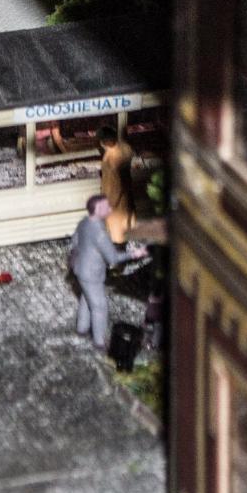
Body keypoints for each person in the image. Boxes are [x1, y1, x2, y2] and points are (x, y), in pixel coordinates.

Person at [70, 194, 147, 351]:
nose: (110, 209)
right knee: (99, 306)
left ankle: (82, 328)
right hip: (92, 273)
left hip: (80, 268)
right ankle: (99, 341)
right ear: (98, 209)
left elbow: (75, 242)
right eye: (106, 207)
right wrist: (135, 254)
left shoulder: (84, 222)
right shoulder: (100, 233)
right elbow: (113, 258)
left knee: (86, 297)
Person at [98, 125, 135, 244]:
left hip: (116, 205)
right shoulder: (125, 149)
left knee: (117, 236)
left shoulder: (111, 161)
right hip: (126, 199)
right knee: (124, 231)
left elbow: (114, 187)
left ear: (103, 142)